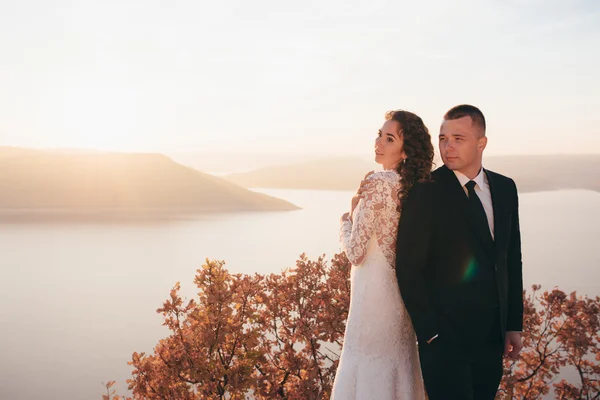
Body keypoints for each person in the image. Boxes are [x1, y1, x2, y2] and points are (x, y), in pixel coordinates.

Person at [395, 104, 524, 400]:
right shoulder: (425, 190)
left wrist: (513, 324)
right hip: (444, 341)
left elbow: (510, 259)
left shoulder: (505, 188)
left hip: (492, 338)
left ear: (482, 143)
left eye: (458, 138)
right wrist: (430, 334)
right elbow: (408, 266)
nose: (447, 147)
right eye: (443, 138)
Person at [331, 109, 433, 400]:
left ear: (404, 152)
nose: (379, 142)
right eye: (380, 134)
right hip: (396, 290)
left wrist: (346, 220)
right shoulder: (410, 187)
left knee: (367, 360)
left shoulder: (378, 183)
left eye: (390, 138)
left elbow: (356, 252)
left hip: (372, 292)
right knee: (397, 360)